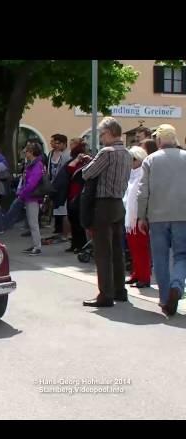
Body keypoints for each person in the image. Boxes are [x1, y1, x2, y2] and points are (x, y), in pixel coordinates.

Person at [81, 117, 132, 308]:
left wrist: (88, 163)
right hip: (119, 203)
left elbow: (87, 173)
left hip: (103, 204)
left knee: (103, 252)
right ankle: (120, 290)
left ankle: (105, 295)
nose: (101, 138)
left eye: (102, 134)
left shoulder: (107, 152)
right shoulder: (126, 153)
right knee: (118, 251)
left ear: (110, 132)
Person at [137, 124, 186, 316]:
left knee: (160, 257)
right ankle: (177, 285)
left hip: (157, 217)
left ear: (158, 141)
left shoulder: (150, 160)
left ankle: (165, 298)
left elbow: (143, 191)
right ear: (175, 139)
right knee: (182, 255)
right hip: (183, 215)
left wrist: (142, 216)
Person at [2, 143, 45, 255]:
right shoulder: (33, 164)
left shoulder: (36, 165)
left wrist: (22, 193)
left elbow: (32, 183)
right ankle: (35, 245)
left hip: (31, 197)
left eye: (26, 151)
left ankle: (37, 246)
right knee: (31, 222)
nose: (25, 153)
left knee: (33, 222)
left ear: (31, 152)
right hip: (29, 196)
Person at [123, 146, 152, 290]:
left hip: (138, 217)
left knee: (141, 249)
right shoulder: (132, 173)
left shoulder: (142, 173)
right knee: (133, 248)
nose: (130, 162)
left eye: (132, 159)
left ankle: (144, 277)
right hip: (130, 218)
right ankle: (136, 273)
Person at [65, 140, 89, 253]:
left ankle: (81, 245)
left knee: (78, 222)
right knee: (72, 220)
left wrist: (79, 159)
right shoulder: (76, 160)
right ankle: (74, 244)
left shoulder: (86, 161)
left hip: (80, 194)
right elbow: (69, 168)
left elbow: (71, 168)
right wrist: (76, 159)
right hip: (72, 193)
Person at [47, 134, 71, 238]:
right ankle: (59, 229)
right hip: (55, 182)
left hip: (62, 184)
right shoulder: (52, 153)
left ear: (63, 143)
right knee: (57, 207)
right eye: (54, 142)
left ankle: (64, 232)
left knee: (63, 208)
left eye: (57, 143)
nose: (55, 145)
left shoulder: (66, 155)